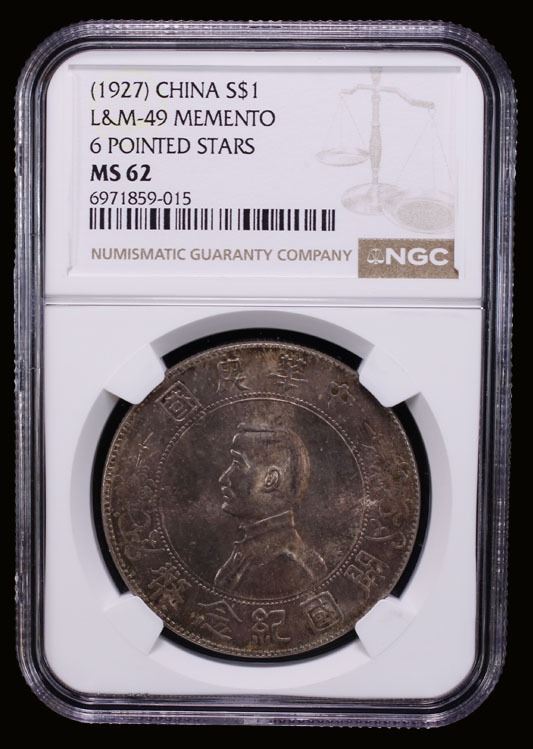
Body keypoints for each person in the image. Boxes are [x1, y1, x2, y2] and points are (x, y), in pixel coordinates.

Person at [215, 422, 326, 597]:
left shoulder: (287, 565)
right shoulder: (251, 555)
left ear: (270, 480)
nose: (224, 478)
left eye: (237, 464)